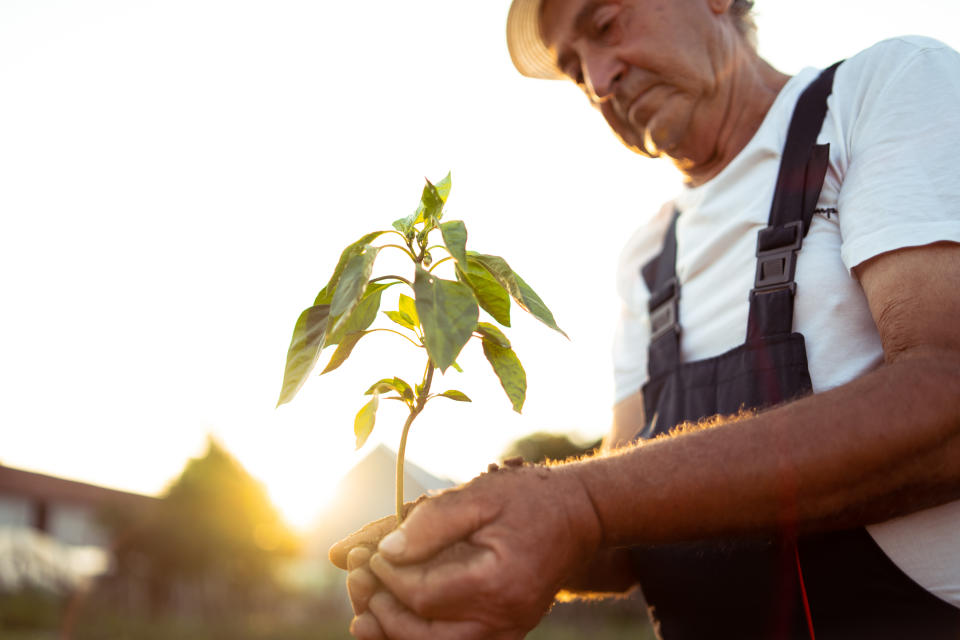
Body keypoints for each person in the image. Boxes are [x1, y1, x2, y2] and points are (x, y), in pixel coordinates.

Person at [330, 0, 960, 637]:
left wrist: (579, 501)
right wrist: (473, 534)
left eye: (605, 26)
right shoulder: (649, 258)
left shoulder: (882, 90)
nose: (599, 83)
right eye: (576, 72)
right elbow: (627, 531)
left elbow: (948, 394)